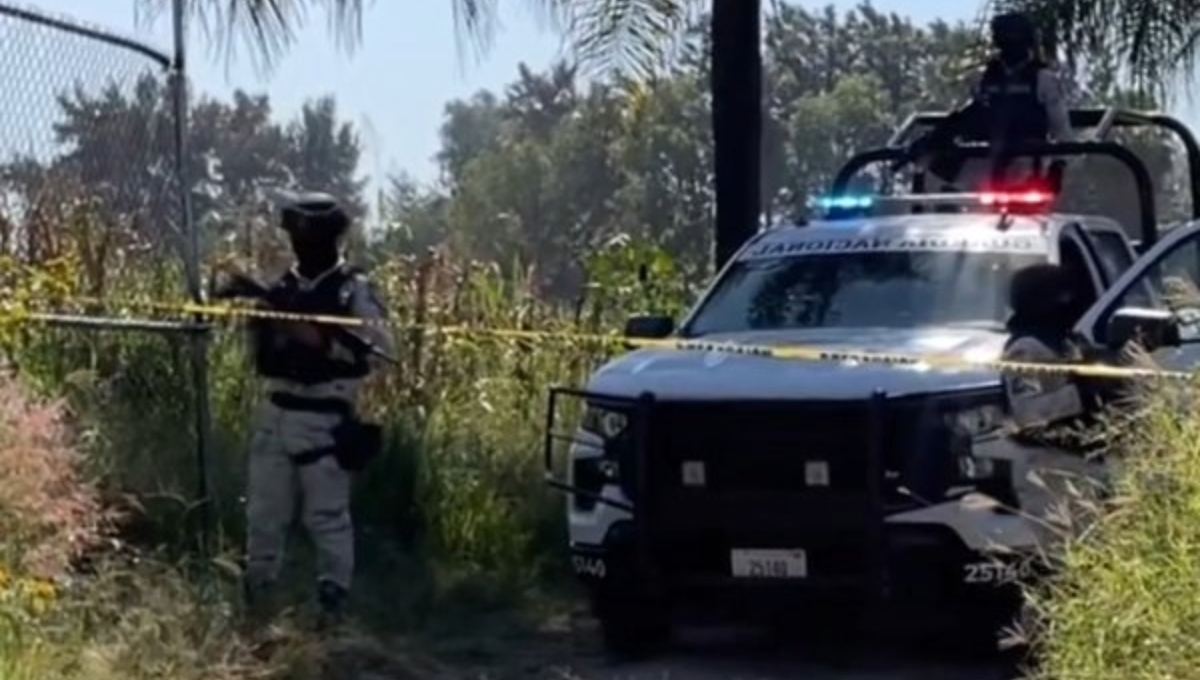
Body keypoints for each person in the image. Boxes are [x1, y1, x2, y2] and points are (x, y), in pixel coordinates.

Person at [237, 189, 394, 629]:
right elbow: (260, 354)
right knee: (264, 515)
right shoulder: (280, 288)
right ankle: (259, 596)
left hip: (324, 415)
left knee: (326, 517)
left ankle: (332, 601)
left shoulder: (352, 291)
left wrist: (320, 338)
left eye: (308, 233)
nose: (301, 241)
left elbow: (380, 352)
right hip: (276, 411)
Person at [907, 12, 1075, 192]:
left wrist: (1057, 169)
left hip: (1029, 168)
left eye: (1014, 36)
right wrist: (935, 140)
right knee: (934, 158)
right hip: (986, 165)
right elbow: (967, 119)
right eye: (1003, 36)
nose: (1009, 43)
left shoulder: (1043, 79)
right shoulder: (982, 78)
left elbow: (1062, 132)